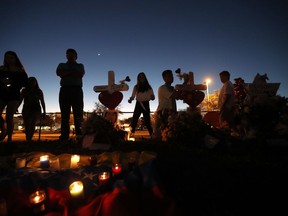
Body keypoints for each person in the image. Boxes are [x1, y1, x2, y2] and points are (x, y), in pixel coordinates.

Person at [56, 48, 85, 140]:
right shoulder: (61, 64)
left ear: (76, 56)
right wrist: (73, 73)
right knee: (64, 114)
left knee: (78, 113)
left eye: (72, 54)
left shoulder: (80, 65)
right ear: (66, 56)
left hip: (77, 91)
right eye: (68, 54)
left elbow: (80, 74)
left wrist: (66, 73)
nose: (70, 55)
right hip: (65, 90)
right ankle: (64, 136)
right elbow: (59, 73)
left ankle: (79, 135)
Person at [0, 51, 28, 142]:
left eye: (11, 57)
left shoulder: (20, 70)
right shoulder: (2, 69)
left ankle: (9, 138)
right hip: (2, 93)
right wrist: (2, 82)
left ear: (15, 59)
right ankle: (4, 130)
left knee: (9, 116)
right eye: (7, 57)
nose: (9, 59)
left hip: (14, 94)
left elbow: (25, 83)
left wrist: (13, 83)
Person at [128, 72, 155, 137]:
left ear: (145, 77)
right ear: (138, 78)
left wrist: (152, 97)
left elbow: (153, 97)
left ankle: (152, 135)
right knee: (134, 119)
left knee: (147, 121)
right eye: (140, 77)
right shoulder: (136, 87)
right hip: (138, 104)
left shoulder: (149, 86)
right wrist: (130, 100)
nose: (141, 78)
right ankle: (131, 134)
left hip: (146, 104)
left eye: (143, 76)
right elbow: (133, 96)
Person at [153, 69, 177, 140]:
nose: (172, 77)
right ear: (164, 78)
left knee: (169, 135)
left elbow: (178, 96)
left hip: (171, 114)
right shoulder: (162, 88)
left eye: (172, 76)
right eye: (169, 76)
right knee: (160, 135)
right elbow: (173, 95)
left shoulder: (172, 88)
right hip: (162, 115)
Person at [20, 77, 46, 141]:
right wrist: (16, 107)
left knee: (32, 124)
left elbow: (42, 101)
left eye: (33, 81)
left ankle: (29, 139)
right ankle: (28, 139)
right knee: (27, 124)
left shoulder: (39, 91)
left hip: (36, 109)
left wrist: (44, 111)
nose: (32, 82)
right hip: (26, 108)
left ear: (36, 82)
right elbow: (20, 99)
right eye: (30, 81)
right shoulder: (24, 90)